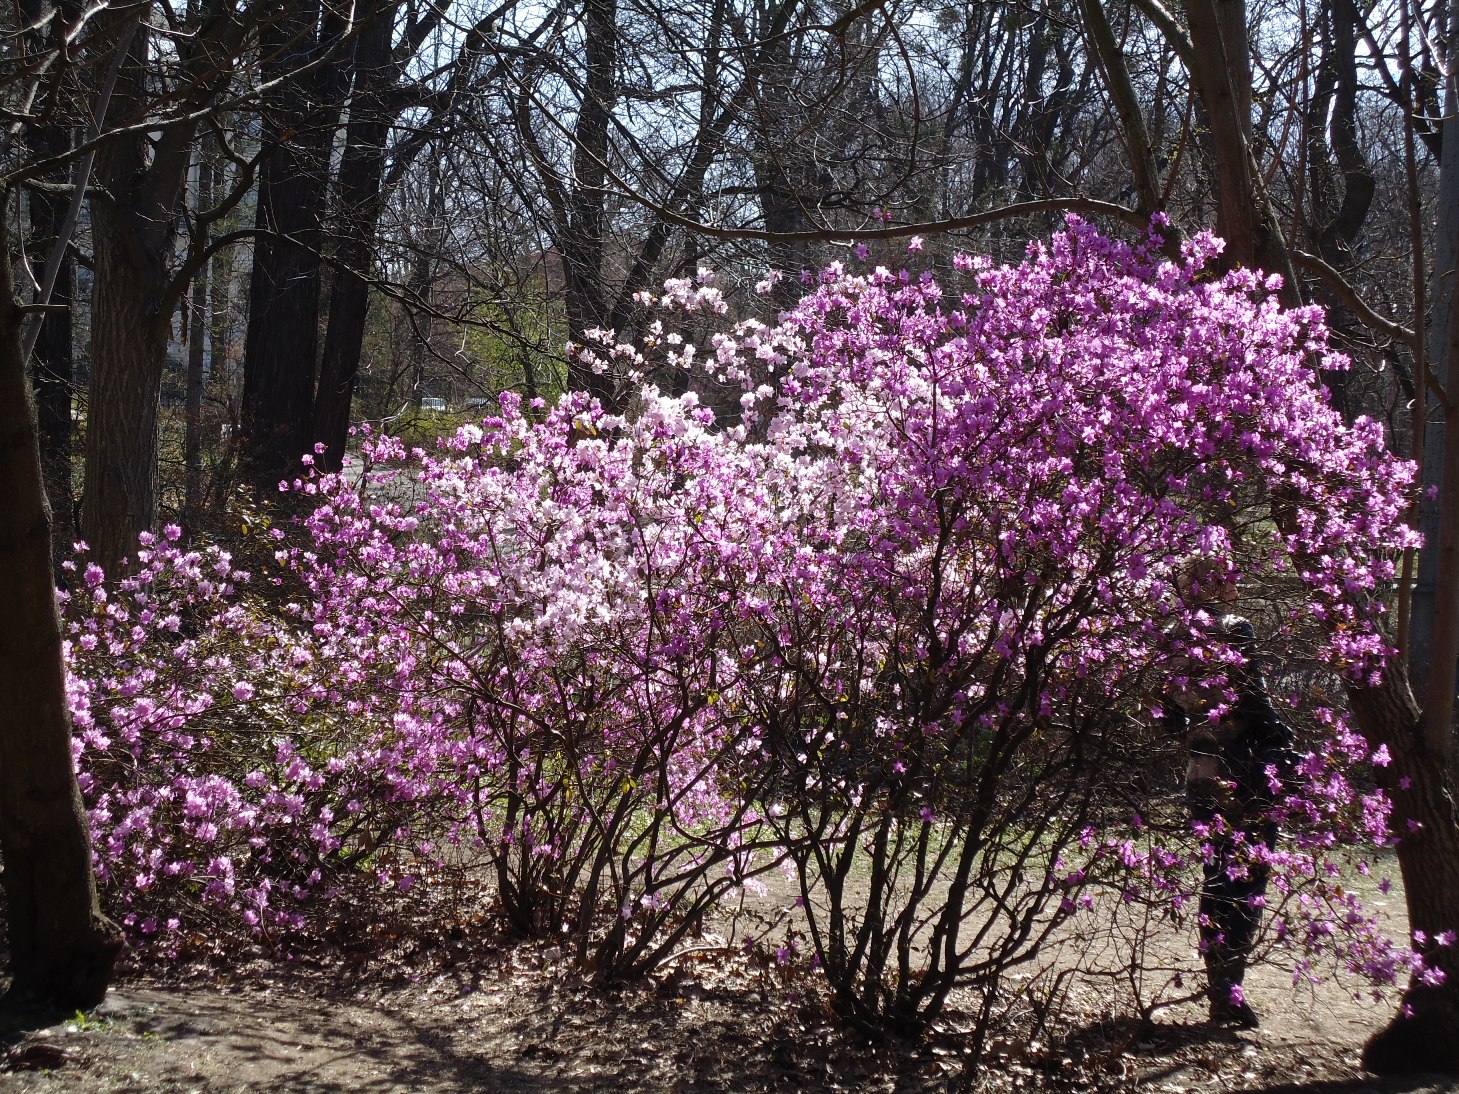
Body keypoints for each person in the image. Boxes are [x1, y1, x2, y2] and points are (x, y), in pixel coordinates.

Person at [1164, 565, 1296, 1028]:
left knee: (1216, 875)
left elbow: (1166, 718)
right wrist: (1287, 741)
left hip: (1200, 771)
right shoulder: (1235, 629)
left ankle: (1218, 986)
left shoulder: (1170, 636)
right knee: (1247, 878)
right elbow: (1254, 700)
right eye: (1229, 572)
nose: (1237, 579)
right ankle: (1228, 990)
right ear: (1213, 582)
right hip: (1246, 773)